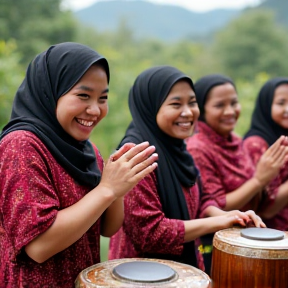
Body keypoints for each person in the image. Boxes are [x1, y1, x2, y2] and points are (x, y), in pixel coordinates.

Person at [0, 42, 159, 288]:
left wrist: (117, 187)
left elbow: (108, 227)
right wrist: (107, 188)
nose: (95, 109)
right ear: (49, 92)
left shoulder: (86, 149)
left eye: (102, 98)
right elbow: (39, 246)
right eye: (83, 95)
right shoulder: (21, 145)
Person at [108, 66, 265, 271]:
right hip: (141, 275)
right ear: (151, 107)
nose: (188, 112)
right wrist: (218, 222)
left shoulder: (178, 148)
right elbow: (151, 234)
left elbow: (201, 198)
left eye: (192, 103)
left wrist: (229, 216)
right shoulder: (136, 157)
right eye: (175, 104)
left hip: (180, 272)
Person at [185, 74, 288, 275]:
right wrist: (259, 179)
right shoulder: (198, 147)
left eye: (234, 103)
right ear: (202, 109)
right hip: (217, 248)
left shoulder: (235, 140)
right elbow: (214, 206)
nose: (230, 111)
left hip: (248, 242)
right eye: (219, 105)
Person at [243, 77, 288, 231]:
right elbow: (267, 210)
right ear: (266, 105)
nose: (287, 109)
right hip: (272, 237)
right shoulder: (256, 144)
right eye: (281, 103)